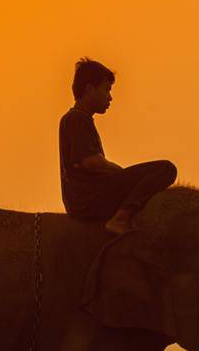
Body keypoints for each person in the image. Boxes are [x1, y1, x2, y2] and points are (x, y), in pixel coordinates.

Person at [58, 58, 177, 234]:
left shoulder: (77, 119)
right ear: (90, 89)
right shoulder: (77, 118)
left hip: (83, 198)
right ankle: (122, 217)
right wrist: (122, 174)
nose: (110, 97)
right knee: (166, 169)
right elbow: (91, 162)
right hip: (88, 198)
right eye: (106, 89)